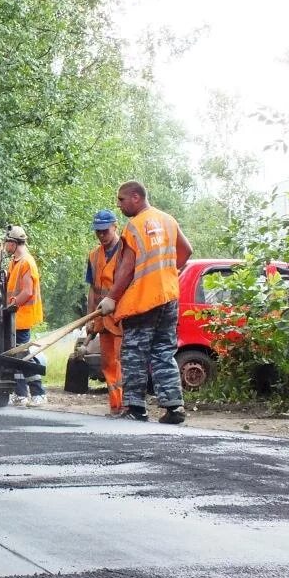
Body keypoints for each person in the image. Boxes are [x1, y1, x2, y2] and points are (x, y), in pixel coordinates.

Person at [99, 181, 193, 424]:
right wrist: (165, 272)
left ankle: (135, 407)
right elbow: (186, 251)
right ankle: (174, 407)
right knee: (164, 351)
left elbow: (127, 270)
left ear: (136, 197)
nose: (118, 205)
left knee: (134, 353)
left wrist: (111, 298)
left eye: (121, 200)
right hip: (168, 297)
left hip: (143, 301)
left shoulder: (134, 226)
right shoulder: (168, 220)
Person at [85, 209, 123, 416]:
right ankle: (116, 406)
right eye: (97, 232)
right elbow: (93, 290)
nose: (101, 235)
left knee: (123, 362)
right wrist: (90, 316)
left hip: (123, 317)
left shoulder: (126, 252)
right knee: (108, 362)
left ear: (115, 226)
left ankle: (128, 405)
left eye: (105, 231)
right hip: (102, 317)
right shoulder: (94, 255)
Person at [3, 224, 46, 406]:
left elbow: (27, 292)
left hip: (22, 316)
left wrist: (10, 307)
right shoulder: (14, 262)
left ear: (14, 242)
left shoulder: (27, 262)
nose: (5, 245)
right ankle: (21, 394)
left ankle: (38, 393)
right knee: (16, 356)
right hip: (15, 317)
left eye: (7, 242)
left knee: (25, 355)